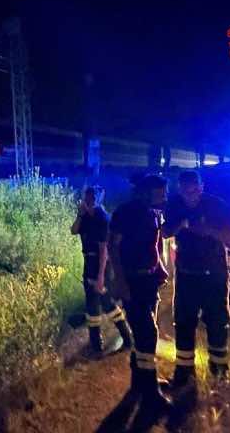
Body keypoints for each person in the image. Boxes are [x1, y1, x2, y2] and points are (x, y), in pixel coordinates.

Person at [162, 170, 230, 386]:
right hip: (186, 275)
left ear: (201, 187)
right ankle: (184, 374)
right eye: (186, 191)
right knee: (184, 323)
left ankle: (220, 372)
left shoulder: (216, 205)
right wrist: (181, 225)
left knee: (217, 322)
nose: (190, 195)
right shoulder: (174, 205)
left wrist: (209, 231)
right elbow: (166, 232)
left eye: (194, 190)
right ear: (180, 190)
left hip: (214, 274)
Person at [109, 175, 172, 408]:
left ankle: (140, 381)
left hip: (149, 281)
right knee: (147, 333)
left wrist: (160, 270)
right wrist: (120, 282)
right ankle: (150, 392)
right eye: (161, 192)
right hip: (132, 281)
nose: (164, 196)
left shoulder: (154, 213)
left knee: (144, 332)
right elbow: (113, 247)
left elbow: (155, 245)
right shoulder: (125, 213)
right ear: (147, 192)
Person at [71, 186, 134, 357]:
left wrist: (100, 277)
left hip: (101, 266)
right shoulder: (85, 217)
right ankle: (112, 343)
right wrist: (80, 214)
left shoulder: (102, 219)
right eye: (87, 197)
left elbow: (104, 250)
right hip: (89, 262)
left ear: (99, 198)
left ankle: (108, 344)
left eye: (92, 197)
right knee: (99, 305)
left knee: (102, 304)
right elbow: (73, 230)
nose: (89, 200)